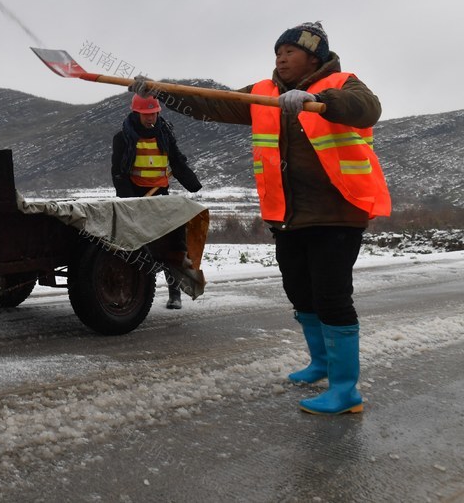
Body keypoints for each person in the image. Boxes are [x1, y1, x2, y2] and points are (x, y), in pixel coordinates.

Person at [132, 21, 390, 415]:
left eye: (289, 52)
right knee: (300, 293)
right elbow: (211, 103)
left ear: (314, 56)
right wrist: (160, 91)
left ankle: (345, 389)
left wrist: (318, 101)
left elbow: (367, 109)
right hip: (287, 215)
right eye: (277, 53)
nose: (281, 58)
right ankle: (320, 363)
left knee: (332, 296)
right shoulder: (264, 94)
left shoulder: (343, 82)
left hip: (337, 212)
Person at [111, 94, 203, 309]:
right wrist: (129, 201)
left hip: (161, 195)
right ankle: (135, 292)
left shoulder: (165, 134)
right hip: (137, 197)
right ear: (137, 113)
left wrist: (193, 184)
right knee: (140, 246)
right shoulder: (123, 138)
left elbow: (177, 162)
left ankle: (175, 293)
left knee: (173, 244)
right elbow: (118, 173)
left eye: (153, 113)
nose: (150, 118)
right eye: (146, 114)